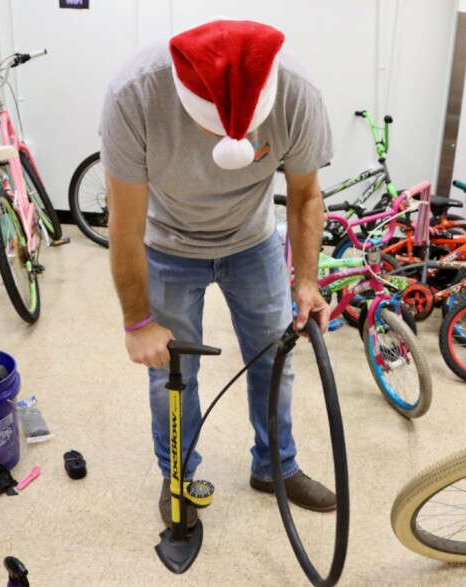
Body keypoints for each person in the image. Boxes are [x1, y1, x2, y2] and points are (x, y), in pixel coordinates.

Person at [99, 19, 336, 529]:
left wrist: (307, 280)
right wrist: (137, 322)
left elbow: (305, 195)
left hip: (253, 243)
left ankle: (276, 467)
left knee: (275, 360)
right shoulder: (135, 93)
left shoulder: (297, 94)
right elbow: (124, 222)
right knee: (172, 377)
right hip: (166, 242)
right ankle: (178, 477)